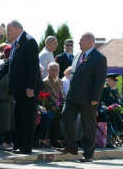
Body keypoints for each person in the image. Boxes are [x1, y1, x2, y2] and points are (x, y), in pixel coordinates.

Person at [0, 20, 43, 154]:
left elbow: (34, 66)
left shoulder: (29, 41)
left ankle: (26, 148)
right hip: (19, 89)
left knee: (27, 118)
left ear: (16, 29)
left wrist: (31, 86)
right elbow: (10, 62)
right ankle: (18, 145)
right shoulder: (16, 43)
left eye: (9, 30)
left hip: (28, 89)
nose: (7, 33)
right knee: (19, 118)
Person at [57, 32, 107, 163]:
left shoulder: (99, 57)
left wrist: (95, 97)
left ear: (91, 42)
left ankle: (88, 154)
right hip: (73, 96)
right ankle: (71, 146)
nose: (78, 43)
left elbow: (100, 79)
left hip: (88, 98)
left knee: (88, 127)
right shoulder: (78, 55)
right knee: (65, 116)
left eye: (81, 41)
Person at [0, 45, 15, 150]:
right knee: (3, 120)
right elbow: (4, 81)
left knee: (9, 121)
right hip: (3, 96)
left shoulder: (8, 63)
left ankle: (7, 141)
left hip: (8, 97)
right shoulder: (1, 63)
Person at [42, 62, 65, 148]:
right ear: (47, 70)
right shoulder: (45, 82)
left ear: (59, 70)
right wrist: (58, 106)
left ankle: (70, 140)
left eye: (56, 70)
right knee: (56, 114)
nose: (54, 72)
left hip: (61, 105)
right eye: (52, 69)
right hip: (50, 106)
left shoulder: (60, 81)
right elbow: (49, 97)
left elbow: (62, 95)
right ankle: (54, 140)